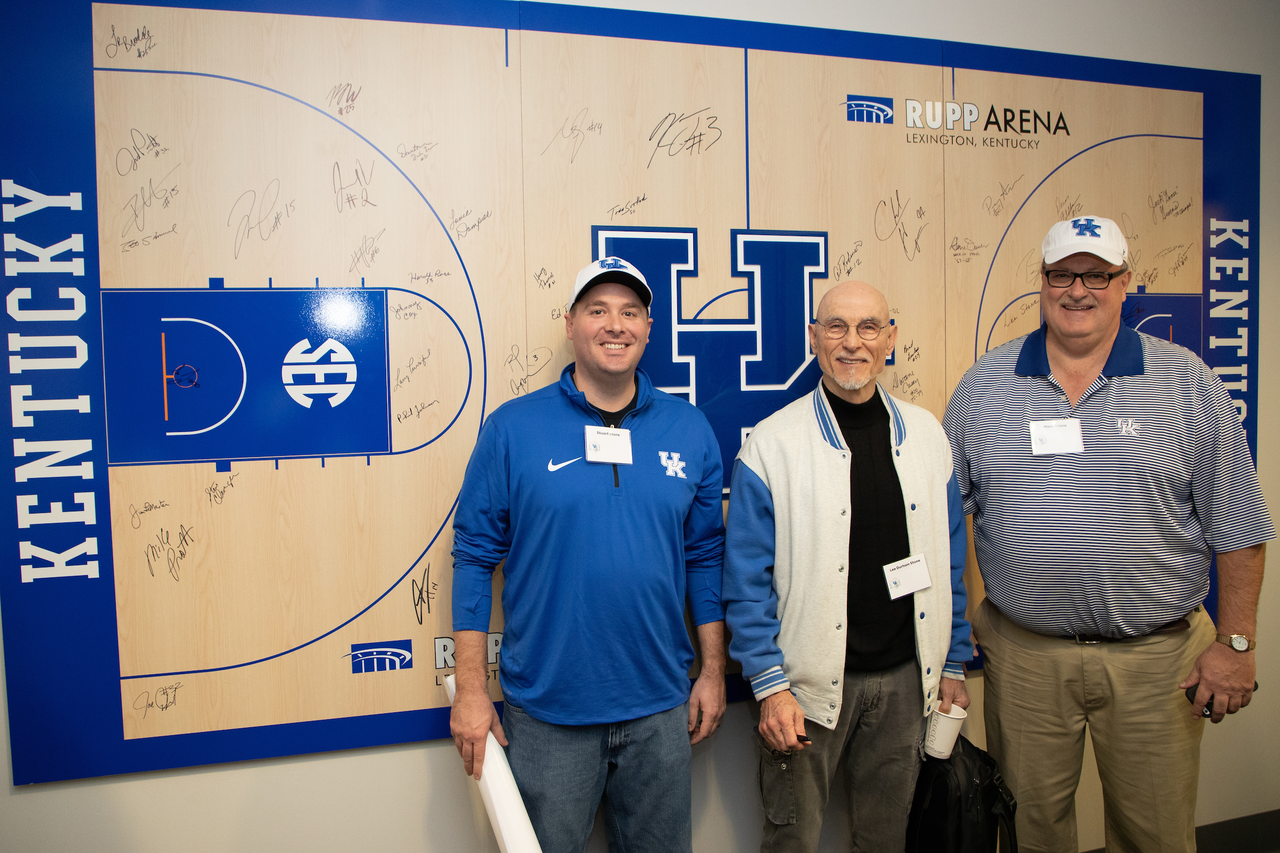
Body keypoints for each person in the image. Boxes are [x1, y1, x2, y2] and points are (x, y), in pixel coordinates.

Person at [943, 215, 1273, 853]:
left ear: (1126, 283)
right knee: (1029, 830)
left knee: (1155, 835)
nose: (1078, 290)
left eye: (1096, 274)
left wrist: (1236, 643)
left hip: (1158, 660)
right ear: (1041, 282)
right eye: (1062, 274)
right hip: (1026, 659)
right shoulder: (987, 385)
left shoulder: (1187, 383)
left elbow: (1239, 522)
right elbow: (941, 514)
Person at [449, 256, 728, 853]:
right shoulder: (512, 429)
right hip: (549, 711)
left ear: (649, 328)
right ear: (571, 323)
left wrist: (711, 671)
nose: (615, 325)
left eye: (630, 312)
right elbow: (473, 556)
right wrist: (472, 689)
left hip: (660, 707)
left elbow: (705, 556)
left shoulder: (689, 428)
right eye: (597, 310)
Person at [724, 280, 973, 853]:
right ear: (814, 338)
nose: (852, 342)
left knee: (886, 841)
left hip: (909, 685)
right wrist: (769, 686)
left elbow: (950, 562)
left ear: (890, 339)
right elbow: (744, 581)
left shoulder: (929, 437)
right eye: (835, 326)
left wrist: (953, 660)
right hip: (803, 691)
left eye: (868, 328)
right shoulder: (773, 444)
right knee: (792, 840)